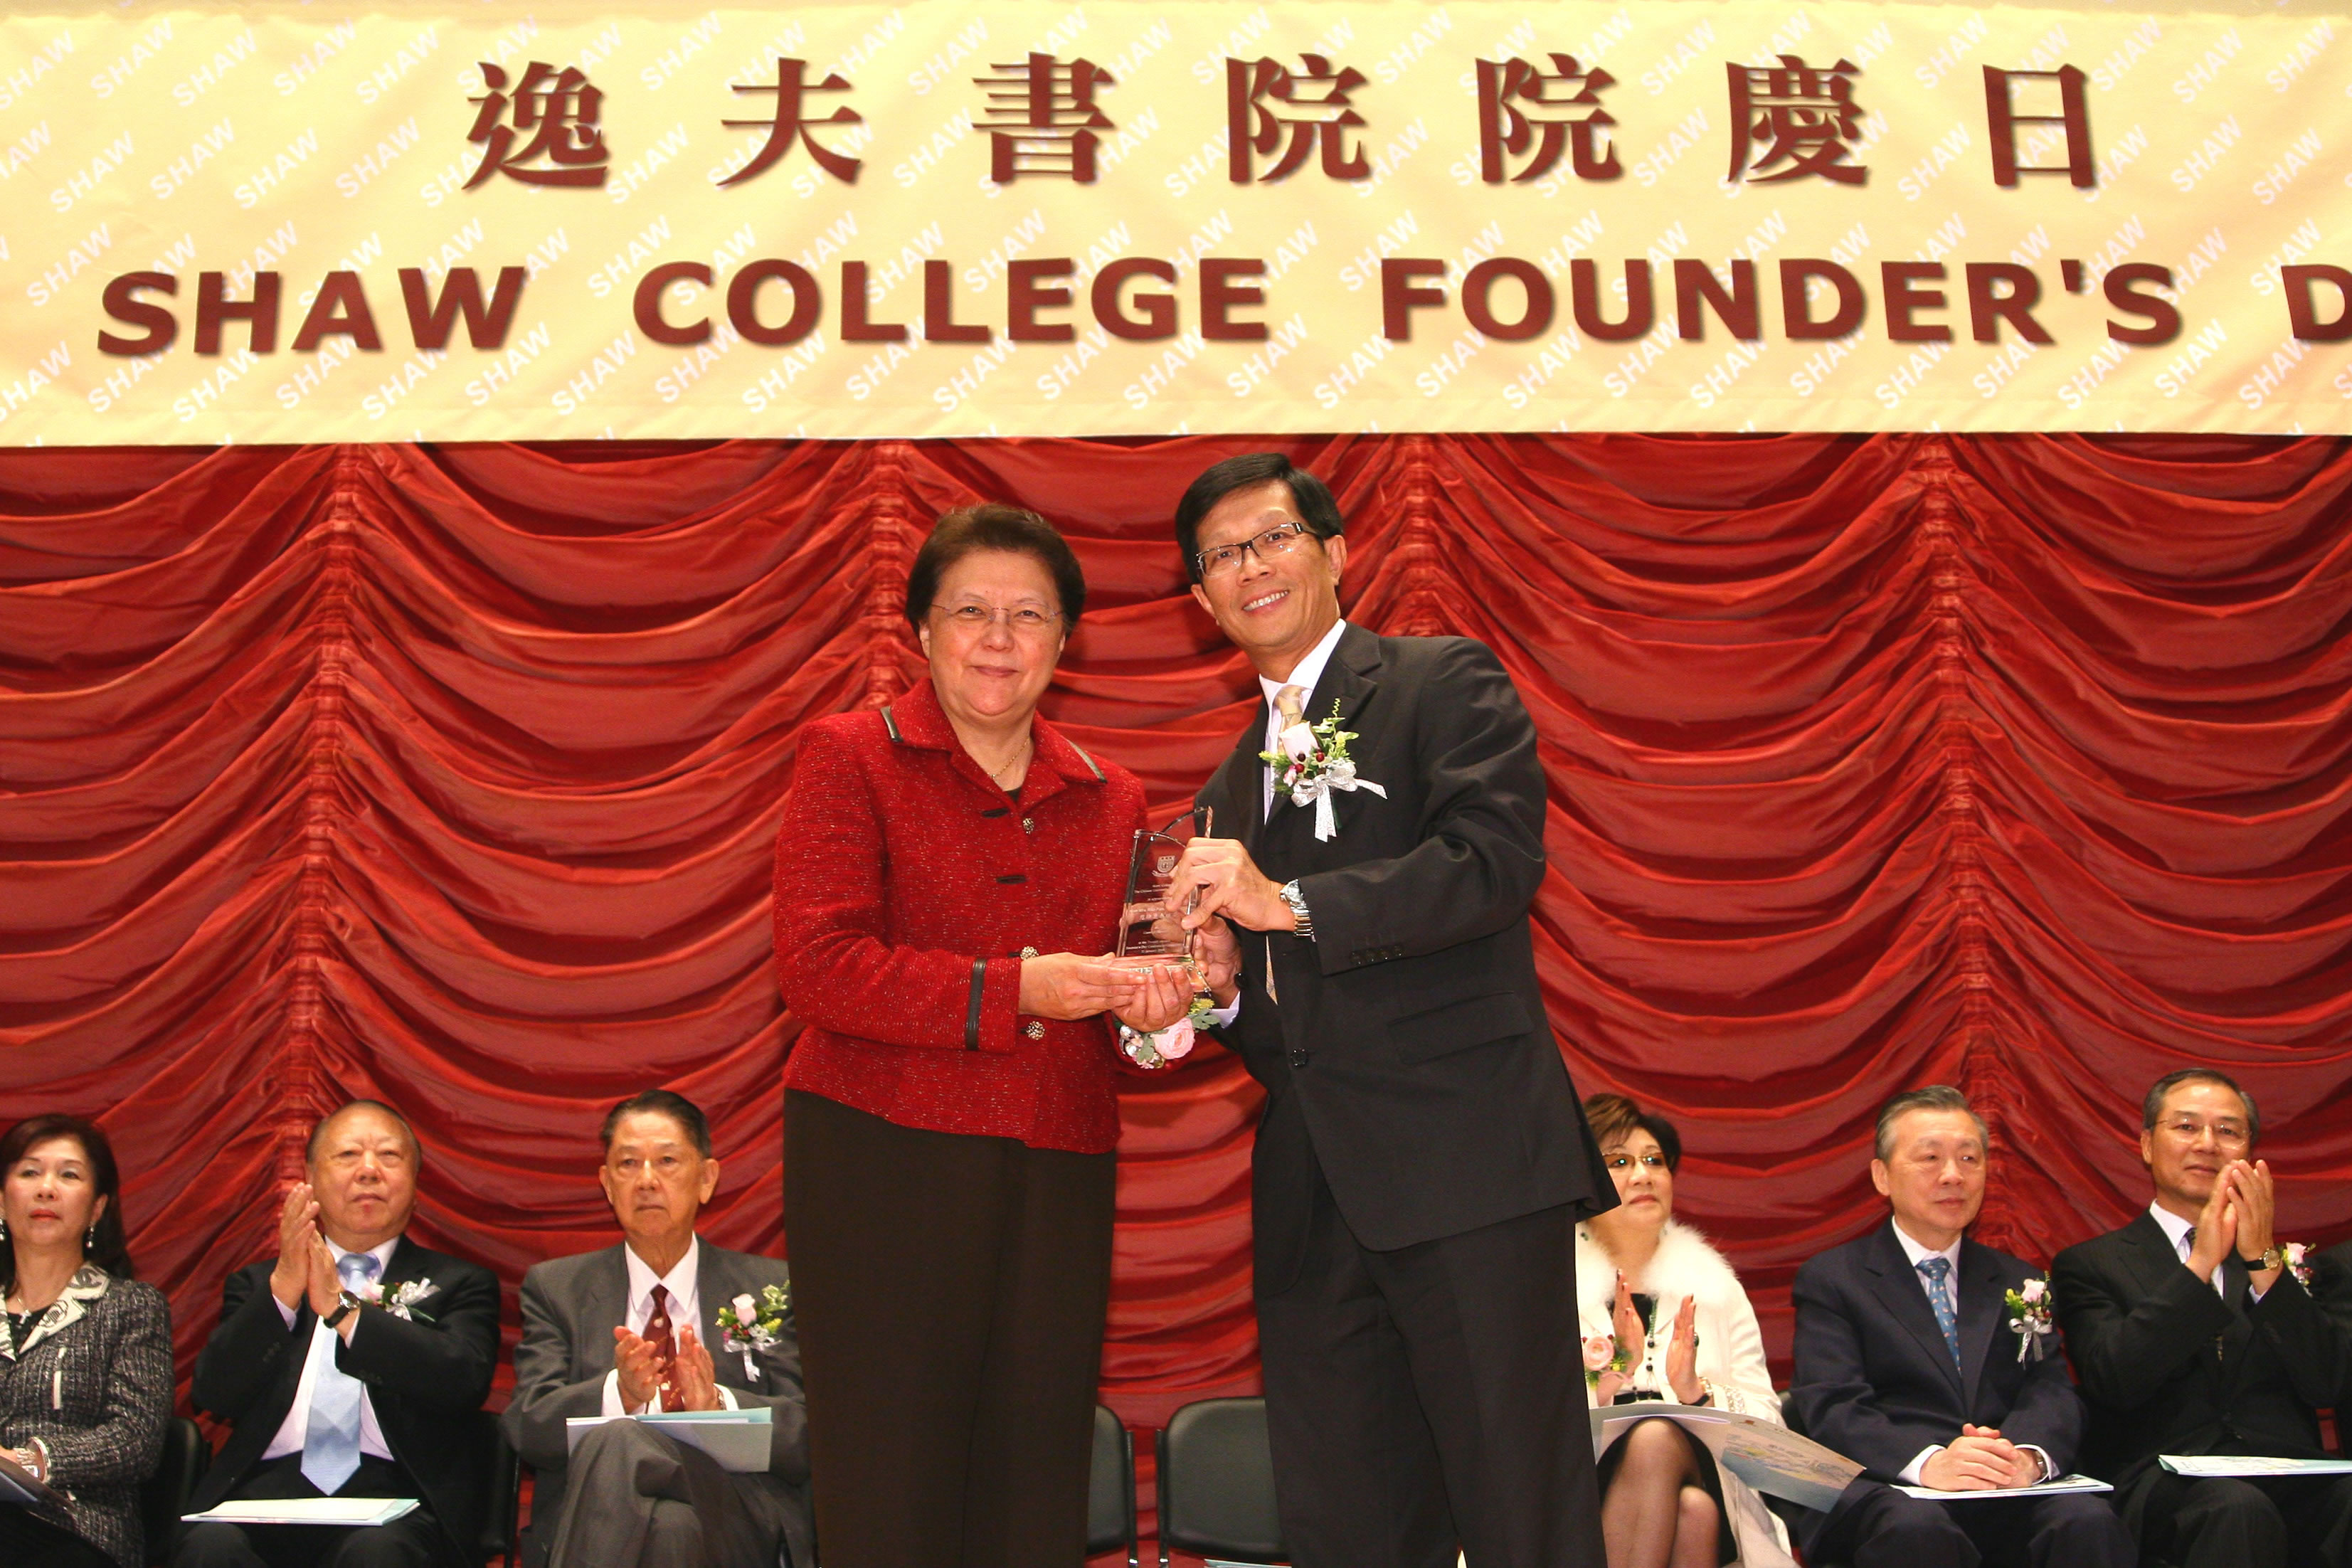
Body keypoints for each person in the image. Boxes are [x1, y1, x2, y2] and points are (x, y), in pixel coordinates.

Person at [1166, 452, 1614, 1568]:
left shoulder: (1438, 681)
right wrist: (1224, 994)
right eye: (1222, 556)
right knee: (1347, 1520)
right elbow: (1290, 1023)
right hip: (1316, 1196)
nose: (1250, 567)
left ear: (1334, 552)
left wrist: (1286, 902)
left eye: (1272, 538)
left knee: (1520, 1506)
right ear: (1199, 601)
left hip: (1464, 1164)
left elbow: (1491, 862)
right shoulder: (1223, 790)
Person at [772, 503, 1196, 1568]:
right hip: (882, 1155)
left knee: (1034, 1475)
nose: (998, 638)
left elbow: (1111, 1012)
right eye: (971, 611)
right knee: (891, 1475)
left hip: (1057, 1164)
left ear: (1065, 640)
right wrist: (1019, 989)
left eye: (1028, 615)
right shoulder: (848, 757)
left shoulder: (1114, 796)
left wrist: (1154, 1020)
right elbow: (818, 968)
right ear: (920, 629)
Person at [1789, 1086, 2132, 1568]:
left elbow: (2050, 1390)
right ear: (1882, 1176)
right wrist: (1931, 1463)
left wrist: (2026, 1457)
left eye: (1970, 1159)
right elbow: (1833, 1405)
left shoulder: (2021, 1279)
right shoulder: (1835, 1279)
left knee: (2087, 1520)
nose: (1953, 1175)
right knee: (1916, 1531)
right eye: (1930, 1158)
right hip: (1891, 1486)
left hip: (2002, 1482)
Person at [177, 1101, 501, 1568]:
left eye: (389, 1156)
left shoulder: (459, 1283)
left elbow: (462, 1381)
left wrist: (344, 1312)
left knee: (380, 1555)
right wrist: (285, 1292)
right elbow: (216, 1394)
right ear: (310, 1177)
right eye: (348, 1155)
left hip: (396, 1498)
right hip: (265, 1495)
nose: (369, 1170)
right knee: (209, 1549)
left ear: (415, 1186)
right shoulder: (257, 1283)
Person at [2051, 1069, 2352, 1567]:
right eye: (2187, 1127)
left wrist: (2261, 1263)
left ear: (2249, 1153)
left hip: (2287, 1468)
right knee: (2236, 1508)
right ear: (2148, 1144)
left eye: (2228, 1131)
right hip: (2166, 1477)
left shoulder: (2285, 1262)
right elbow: (2115, 1380)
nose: (2208, 1145)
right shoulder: (2091, 1264)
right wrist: (2200, 1266)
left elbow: (2327, 1383)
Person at [507, 1090, 810, 1568]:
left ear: (706, 1178)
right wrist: (619, 1394)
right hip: (629, 1525)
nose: (646, 1180)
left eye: (667, 1161)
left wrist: (720, 1405)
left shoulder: (772, 1287)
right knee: (671, 1530)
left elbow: (811, 1433)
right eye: (628, 1164)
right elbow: (528, 1429)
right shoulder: (556, 1289)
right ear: (607, 1184)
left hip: (740, 1514)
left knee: (619, 1440)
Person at [1576, 1095, 1793, 1568]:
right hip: (1578, 1497)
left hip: (1714, 1480)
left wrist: (1699, 1394)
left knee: (1657, 1442)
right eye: (1619, 1162)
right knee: (1693, 1513)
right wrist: (1609, 1377)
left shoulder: (1716, 1289)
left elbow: (1774, 1442)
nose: (1642, 1175)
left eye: (1654, 1160)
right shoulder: (1546, 1291)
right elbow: (1518, 1426)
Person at [0, 1114, 171, 1568]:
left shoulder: (131, 1307)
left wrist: (30, 1461)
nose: (46, 1189)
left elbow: (136, 1440)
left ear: (97, 1208)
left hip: (78, 1527)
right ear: (1, 1199)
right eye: (29, 1172)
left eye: (68, 1175)